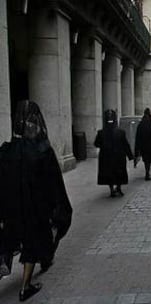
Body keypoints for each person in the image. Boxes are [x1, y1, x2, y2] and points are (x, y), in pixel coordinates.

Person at [0, 100, 72, 301]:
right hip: (34, 208)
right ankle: (25, 286)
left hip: (11, 208)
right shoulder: (42, 152)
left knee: (10, 238)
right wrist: (56, 209)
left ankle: (5, 259)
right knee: (32, 244)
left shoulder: (6, 151)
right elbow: (53, 184)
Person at [94, 110, 134, 197]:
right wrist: (130, 155)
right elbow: (125, 145)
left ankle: (112, 189)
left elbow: (96, 144)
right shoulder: (120, 132)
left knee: (109, 173)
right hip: (118, 156)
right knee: (118, 173)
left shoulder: (101, 133)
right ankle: (118, 188)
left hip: (107, 157)